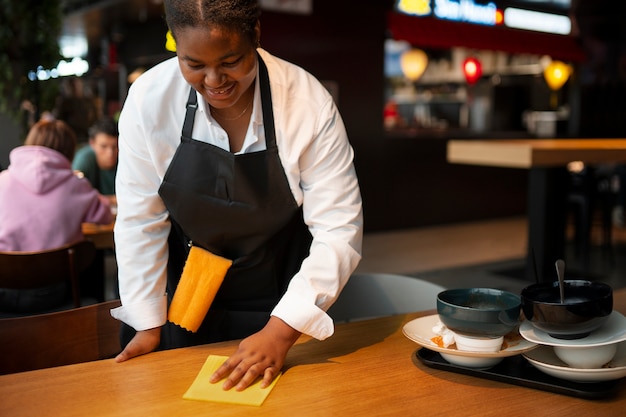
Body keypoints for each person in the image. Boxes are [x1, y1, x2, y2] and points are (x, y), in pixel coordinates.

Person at [111, 0, 363, 392]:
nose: (214, 80)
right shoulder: (149, 101)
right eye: (194, 64)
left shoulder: (306, 104)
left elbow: (339, 229)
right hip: (184, 295)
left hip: (279, 292)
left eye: (231, 61)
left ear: (256, 36)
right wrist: (146, 321)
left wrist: (282, 331)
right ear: (175, 47)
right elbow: (140, 220)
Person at [0, 119, 113, 312]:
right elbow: (104, 216)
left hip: (4, 290)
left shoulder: (3, 180)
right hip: (53, 293)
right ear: (69, 151)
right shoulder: (76, 185)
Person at [72, 118, 119, 206]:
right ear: (92, 143)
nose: (110, 153)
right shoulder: (84, 159)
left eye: (115, 146)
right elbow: (74, 194)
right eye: (103, 146)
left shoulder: (126, 158)